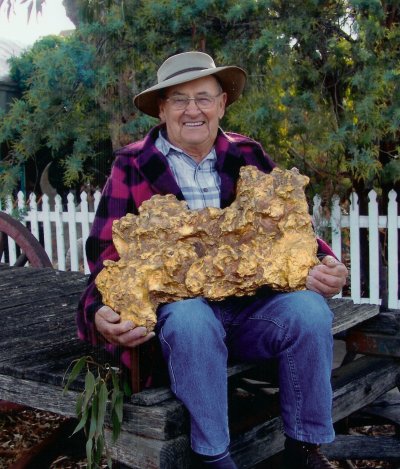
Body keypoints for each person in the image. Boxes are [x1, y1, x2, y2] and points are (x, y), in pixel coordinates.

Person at [77, 51, 348, 469]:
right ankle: (214, 457)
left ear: (221, 104)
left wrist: (327, 264)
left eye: (203, 98)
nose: (193, 110)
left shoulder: (248, 154)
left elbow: (289, 226)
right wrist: (98, 311)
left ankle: (305, 448)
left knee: (310, 311)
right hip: (182, 322)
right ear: (162, 109)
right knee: (191, 318)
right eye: (179, 99)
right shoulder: (132, 164)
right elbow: (105, 256)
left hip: (252, 310)